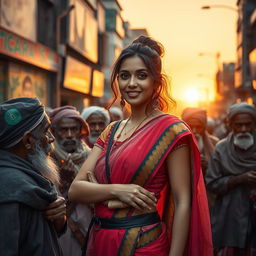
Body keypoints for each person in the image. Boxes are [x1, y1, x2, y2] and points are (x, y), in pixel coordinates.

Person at [69, 36, 212, 256]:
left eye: (142, 76)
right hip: (100, 240)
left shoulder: (172, 130)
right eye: (124, 76)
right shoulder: (111, 130)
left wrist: (98, 192)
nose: (131, 83)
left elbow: (183, 202)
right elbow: (76, 190)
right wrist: (120, 191)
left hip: (144, 244)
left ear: (157, 82)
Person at [0, 97, 66, 255]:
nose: (51, 138)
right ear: (28, 140)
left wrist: (59, 220)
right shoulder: (10, 190)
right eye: (46, 131)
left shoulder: (29, 176)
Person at [205, 102, 256, 255]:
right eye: (239, 125)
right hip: (229, 217)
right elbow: (211, 183)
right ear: (230, 125)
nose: (244, 129)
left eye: (248, 124)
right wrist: (239, 179)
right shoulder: (221, 149)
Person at [49, 106, 92, 256]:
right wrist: (64, 180)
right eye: (63, 130)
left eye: (74, 129)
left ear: (81, 131)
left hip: (89, 229)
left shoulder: (91, 156)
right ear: (54, 132)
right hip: (62, 234)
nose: (69, 135)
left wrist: (74, 179)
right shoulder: (46, 160)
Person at [181, 107, 219, 176]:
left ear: (204, 127)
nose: (194, 131)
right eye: (190, 126)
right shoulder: (177, 144)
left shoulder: (215, 143)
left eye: (198, 127)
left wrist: (208, 165)